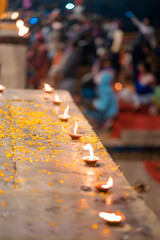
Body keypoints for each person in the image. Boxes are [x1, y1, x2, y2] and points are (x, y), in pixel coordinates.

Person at [86, 57, 118, 127]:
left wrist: (95, 104)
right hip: (106, 111)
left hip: (108, 114)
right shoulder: (104, 88)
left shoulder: (105, 90)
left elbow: (103, 106)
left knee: (88, 113)